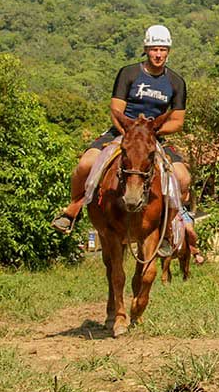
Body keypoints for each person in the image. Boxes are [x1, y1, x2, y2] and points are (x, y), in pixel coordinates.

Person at [53, 25, 202, 262]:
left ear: (169, 51)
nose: (158, 54)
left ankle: (168, 224)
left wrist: (150, 132)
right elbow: (116, 110)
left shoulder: (176, 82)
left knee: (183, 177)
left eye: (163, 49)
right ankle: (73, 209)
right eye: (154, 49)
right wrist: (131, 131)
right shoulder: (129, 73)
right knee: (85, 164)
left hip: (153, 136)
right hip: (122, 131)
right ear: (146, 49)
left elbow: (178, 121)